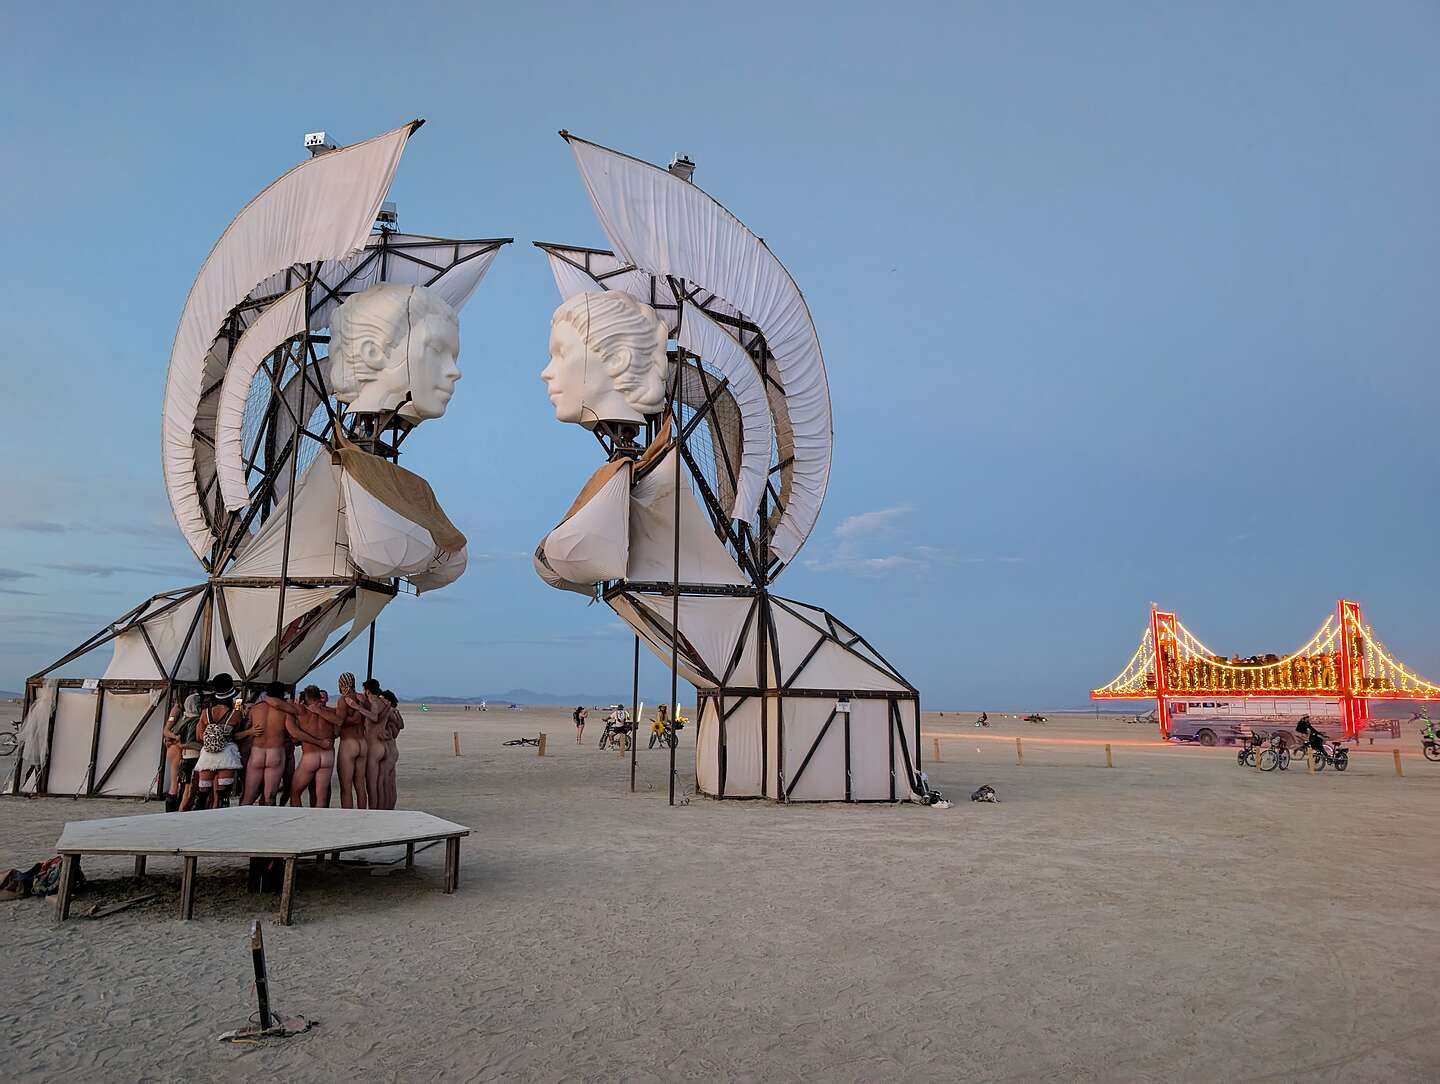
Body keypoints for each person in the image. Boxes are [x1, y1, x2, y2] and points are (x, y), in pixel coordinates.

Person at [266, 685, 338, 807]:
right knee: (321, 794)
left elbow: (278, 705)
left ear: (306, 696)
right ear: (318, 696)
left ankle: (298, 817)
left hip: (311, 755)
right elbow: (336, 732)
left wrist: (264, 698)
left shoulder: (301, 710)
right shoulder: (329, 712)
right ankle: (319, 821)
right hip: (328, 755)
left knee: (295, 791)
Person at [194, 674, 248, 808]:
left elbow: (199, 736)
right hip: (227, 754)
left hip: (207, 755)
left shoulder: (205, 713)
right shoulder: (236, 713)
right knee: (224, 794)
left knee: (202, 793)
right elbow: (237, 734)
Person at [241, 682, 294, 805]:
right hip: (275, 752)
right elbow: (293, 733)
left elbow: (247, 728)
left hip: (257, 752)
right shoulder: (285, 710)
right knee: (270, 797)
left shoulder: (255, 708)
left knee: (249, 796)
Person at [333, 672, 371, 808]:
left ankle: (348, 816)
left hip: (349, 743)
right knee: (360, 785)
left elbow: (341, 721)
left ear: (341, 684)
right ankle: (363, 813)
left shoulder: (343, 700)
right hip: (362, 743)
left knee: (346, 787)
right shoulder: (362, 699)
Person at [162, 691, 203, 813]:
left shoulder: (185, 714)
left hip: (179, 746)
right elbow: (166, 730)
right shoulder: (178, 710)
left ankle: (174, 809)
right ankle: (175, 809)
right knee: (177, 782)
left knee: (180, 781)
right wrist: (176, 738)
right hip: (178, 747)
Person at [380, 689, 404, 809]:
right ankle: (390, 807)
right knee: (391, 782)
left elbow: (396, 730)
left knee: (385, 782)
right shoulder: (395, 712)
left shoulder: (389, 712)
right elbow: (401, 726)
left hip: (389, 749)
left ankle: (386, 807)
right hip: (393, 749)